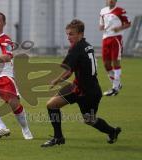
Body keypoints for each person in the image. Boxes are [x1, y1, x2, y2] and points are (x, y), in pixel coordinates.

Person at [41, 19, 121, 147]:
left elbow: (68, 72)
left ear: (80, 34)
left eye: (71, 34)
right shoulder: (87, 45)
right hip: (85, 88)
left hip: (86, 91)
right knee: (52, 105)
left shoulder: (76, 48)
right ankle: (58, 138)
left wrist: (55, 81)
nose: (68, 37)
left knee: (89, 120)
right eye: (67, 34)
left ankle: (112, 131)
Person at [0, 12, 33, 140]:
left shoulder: (6, 39)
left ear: (4, 23)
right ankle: (1, 127)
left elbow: (7, 57)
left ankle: (25, 129)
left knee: (14, 104)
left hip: (4, 76)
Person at [99, 0, 131, 96]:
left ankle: (115, 88)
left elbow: (128, 23)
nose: (111, 1)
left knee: (115, 61)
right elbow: (101, 24)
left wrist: (119, 28)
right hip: (105, 39)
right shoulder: (103, 11)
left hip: (116, 38)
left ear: (116, 1)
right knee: (106, 64)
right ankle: (117, 84)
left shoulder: (121, 11)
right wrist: (101, 27)